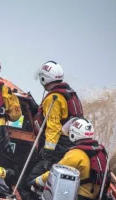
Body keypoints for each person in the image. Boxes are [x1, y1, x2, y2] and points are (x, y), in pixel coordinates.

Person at [32, 118, 112, 200]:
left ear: (74, 134)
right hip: (95, 199)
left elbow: (54, 172)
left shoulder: (75, 154)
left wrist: (37, 182)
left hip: (78, 199)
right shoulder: (100, 151)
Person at [26, 61, 84, 190]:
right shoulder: (69, 93)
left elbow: (53, 127)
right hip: (70, 145)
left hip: (57, 148)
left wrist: (47, 152)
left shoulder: (54, 98)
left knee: (31, 180)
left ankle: (31, 199)